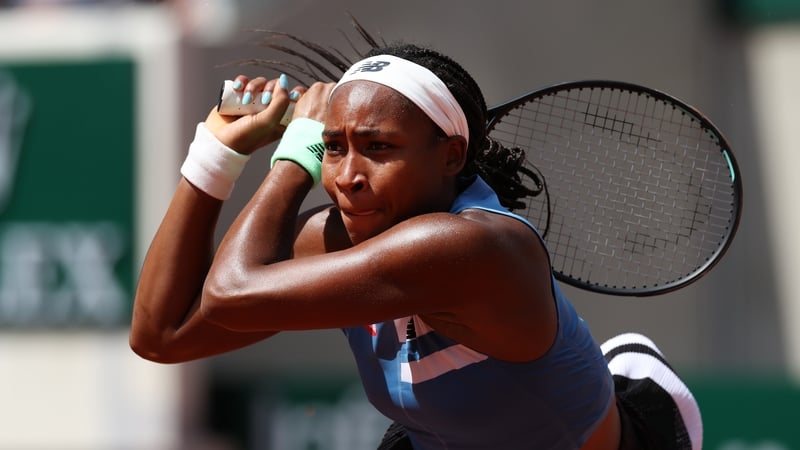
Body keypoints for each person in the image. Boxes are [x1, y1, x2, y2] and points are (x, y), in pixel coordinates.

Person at [130, 35, 702, 449]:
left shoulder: (470, 247)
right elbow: (160, 336)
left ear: (452, 154)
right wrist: (215, 154)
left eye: (378, 148)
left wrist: (294, 158)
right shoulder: (343, 234)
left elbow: (231, 293)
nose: (348, 176)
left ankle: (632, 376)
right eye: (335, 148)